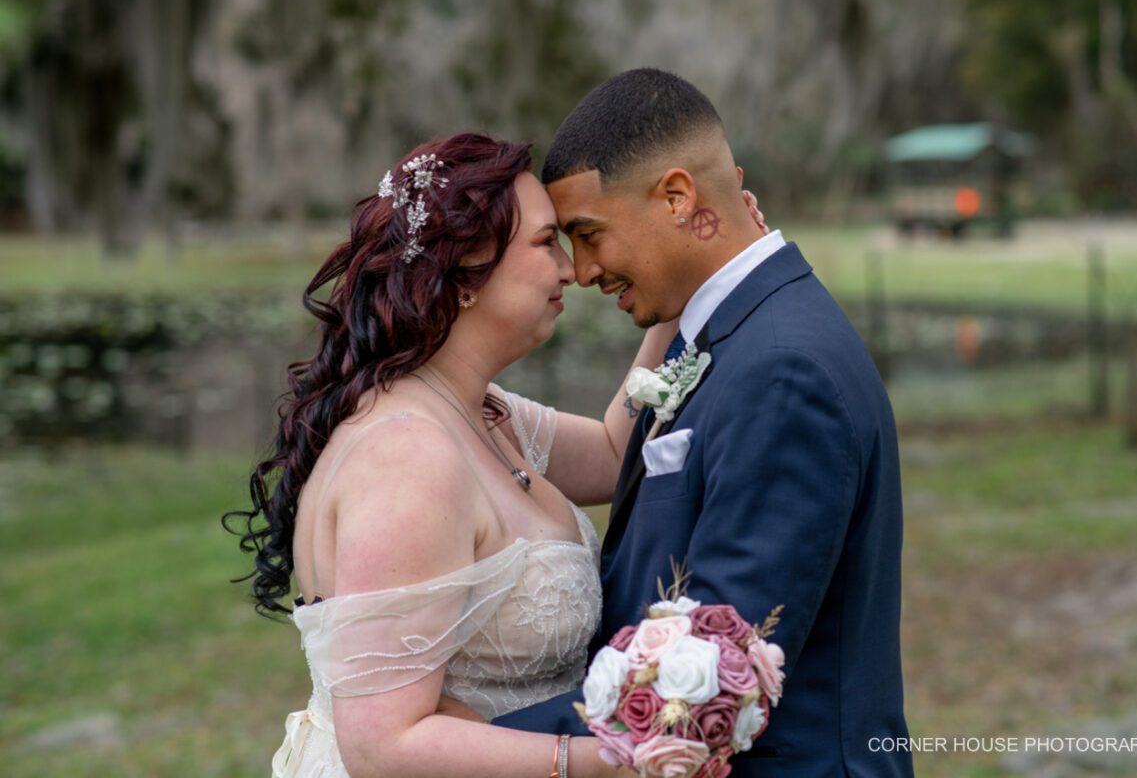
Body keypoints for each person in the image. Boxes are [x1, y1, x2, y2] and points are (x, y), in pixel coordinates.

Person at [490, 69, 914, 777]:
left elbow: (708, 678)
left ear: (678, 196)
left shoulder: (784, 370)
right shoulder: (724, 331)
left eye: (589, 234)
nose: (585, 271)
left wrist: (452, 746)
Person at [223, 133, 674, 777]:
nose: (571, 270)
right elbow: (384, 747)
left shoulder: (486, 411)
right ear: (467, 268)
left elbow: (610, 454)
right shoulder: (410, 458)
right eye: (547, 244)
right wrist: (606, 763)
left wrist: (679, 289)